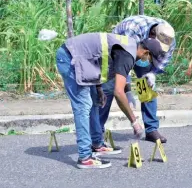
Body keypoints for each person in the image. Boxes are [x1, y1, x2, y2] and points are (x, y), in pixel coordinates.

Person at [56, 32, 164, 169]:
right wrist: (134, 121)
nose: (147, 61)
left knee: (95, 100)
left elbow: (99, 61)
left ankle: (97, 144)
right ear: (146, 52)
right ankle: (85, 157)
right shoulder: (127, 54)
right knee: (83, 106)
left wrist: (99, 88)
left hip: (83, 60)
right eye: (149, 59)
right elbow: (118, 92)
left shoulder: (129, 45)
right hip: (70, 57)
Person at [98, 15, 176, 144]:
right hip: (119, 50)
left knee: (147, 84)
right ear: (152, 35)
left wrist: (153, 74)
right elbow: (123, 61)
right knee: (110, 86)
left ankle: (151, 129)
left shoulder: (168, 36)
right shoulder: (132, 29)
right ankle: (97, 131)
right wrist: (127, 90)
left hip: (142, 52)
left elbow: (163, 59)